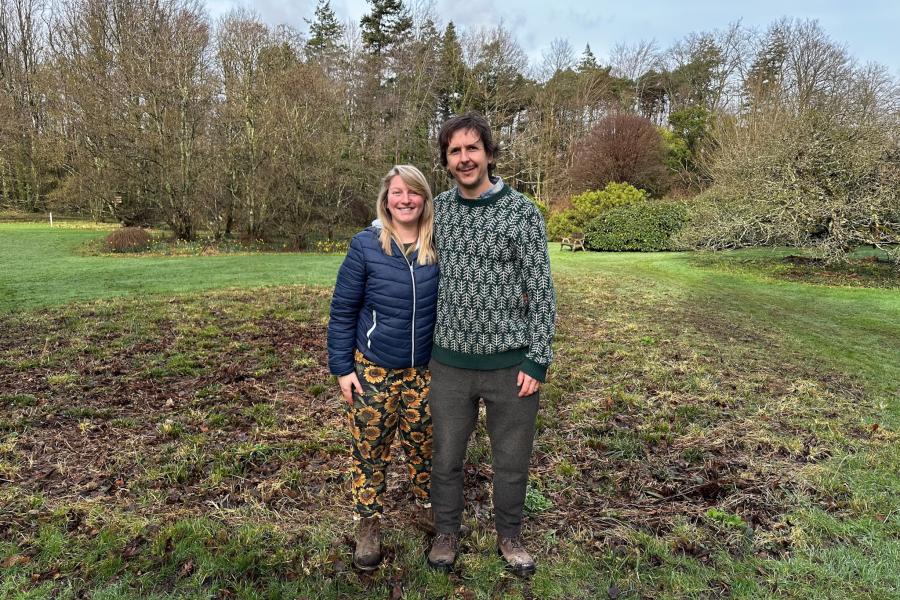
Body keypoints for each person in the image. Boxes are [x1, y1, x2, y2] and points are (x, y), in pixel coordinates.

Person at [426, 112, 556, 577]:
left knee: (511, 460)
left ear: (488, 153)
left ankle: (510, 535)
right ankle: (445, 533)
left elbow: (540, 289)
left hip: (511, 365)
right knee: (445, 457)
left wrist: (537, 359)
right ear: (446, 159)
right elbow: (395, 239)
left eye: (472, 149)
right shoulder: (436, 211)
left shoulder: (522, 213)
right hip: (449, 363)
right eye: (455, 151)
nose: (464, 158)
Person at [327, 165, 439, 571]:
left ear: (425, 198)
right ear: (386, 199)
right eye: (397, 192)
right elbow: (342, 312)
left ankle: (428, 507)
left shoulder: (437, 244)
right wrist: (342, 368)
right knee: (370, 450)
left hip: (424, 372)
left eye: (413, 192)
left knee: (425, 447)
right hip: (372, 370)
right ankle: (368, 523)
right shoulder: (366, 246)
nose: (405, 199)